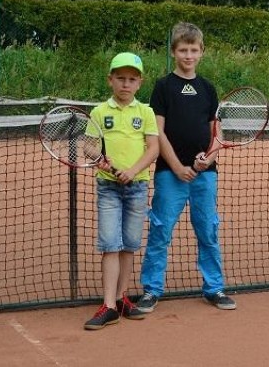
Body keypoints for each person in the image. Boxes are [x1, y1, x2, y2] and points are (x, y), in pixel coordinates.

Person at [136, 22, 237, 313]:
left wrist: (210, 157)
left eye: (194, 50)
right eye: (183, 50)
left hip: (205, 176)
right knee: (161, 232)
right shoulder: (163, 87)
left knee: (208, 231)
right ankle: (152, 290)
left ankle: (214, 288)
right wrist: (178, 166)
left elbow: (217, 132)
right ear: (173, 51)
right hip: (170, 175)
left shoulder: (208, 89)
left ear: (202, 52)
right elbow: (158, 133)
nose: (188, 55)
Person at [84, 52, 160, 330]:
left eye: (131, 79)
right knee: (110, 244)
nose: (125, 84)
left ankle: (121, 297)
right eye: (120, 78)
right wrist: (99, 158)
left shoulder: (146, 112)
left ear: (139, 83)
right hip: (108, 188)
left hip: (137, 187)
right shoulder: (99, 112)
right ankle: (109, 305)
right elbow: (89, 145)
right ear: (111, 80)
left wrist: (132, 170)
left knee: (129, 245)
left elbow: (153, 148)